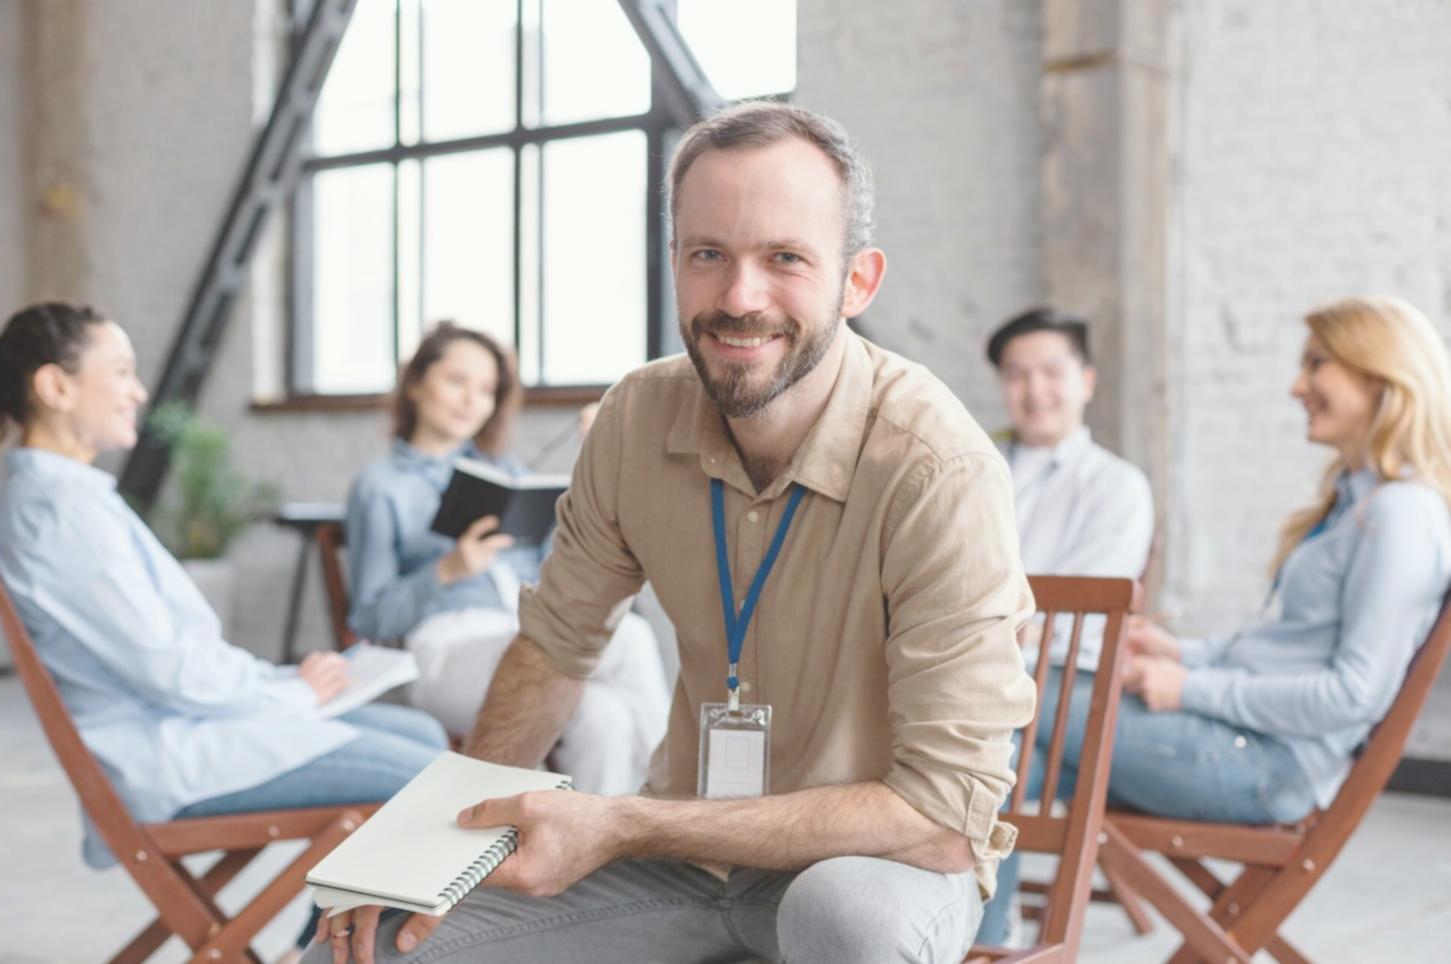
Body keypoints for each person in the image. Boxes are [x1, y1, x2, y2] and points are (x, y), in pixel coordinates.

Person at [309, 101, 1036, 964]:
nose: (739, 297)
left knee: (844, 920)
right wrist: (423, 855)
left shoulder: (936, 469)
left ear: (857, 281)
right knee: (369, 949)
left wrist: (617, 822)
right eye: (708, 255)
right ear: (673, 264)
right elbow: (551, 650)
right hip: (690, 868)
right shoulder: (633, 419)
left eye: (785, 259)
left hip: (875, 864)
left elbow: (944, 819)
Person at [0, 303, 447, 960]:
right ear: (54, 386)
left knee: (426, 737)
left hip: (181, 731)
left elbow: (169, 656)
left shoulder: (67, 498)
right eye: (120, 372)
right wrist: (293, 693)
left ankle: (311, 951)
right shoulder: (59, 512)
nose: (138, 391)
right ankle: (323, 955)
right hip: (169, 758)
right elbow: (171, 670)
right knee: (433, 782)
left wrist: (283, 682)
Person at [978, 294, 1451, 944]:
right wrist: (1180, 654)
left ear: (1378, 374)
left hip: (1267, 765)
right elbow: (1273, 648)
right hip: (1245, 738)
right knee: (999, 755)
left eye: (1316, 364)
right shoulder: (1355, 502)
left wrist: (1186, 687)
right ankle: (983, 943)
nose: (1295, 385)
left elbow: (1352, 695)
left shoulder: (1400, 515)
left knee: (1018, 712)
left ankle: (980, 943)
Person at [344, 321, 669, 795]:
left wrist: (594, 462)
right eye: (456, 381)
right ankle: (675, 802)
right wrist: (447, 570)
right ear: (415, 384)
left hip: (524, 632)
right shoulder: (382, 486)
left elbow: (562, 567)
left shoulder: (507, 474)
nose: (470, 400)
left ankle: (599, 859)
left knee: (605, 716)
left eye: (486, 389)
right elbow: (370, 618)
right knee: (630, 636)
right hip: (443, 654)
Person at [987, 307, 1154, 672]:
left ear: (1087, 382)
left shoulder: (1117, 486)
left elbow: (1080, 615)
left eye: (1052, 372)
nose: (1035, 390)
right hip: (969, 664)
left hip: (1058, 672)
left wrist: (981, 634)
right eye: (1017, 375)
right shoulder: (973, 468)